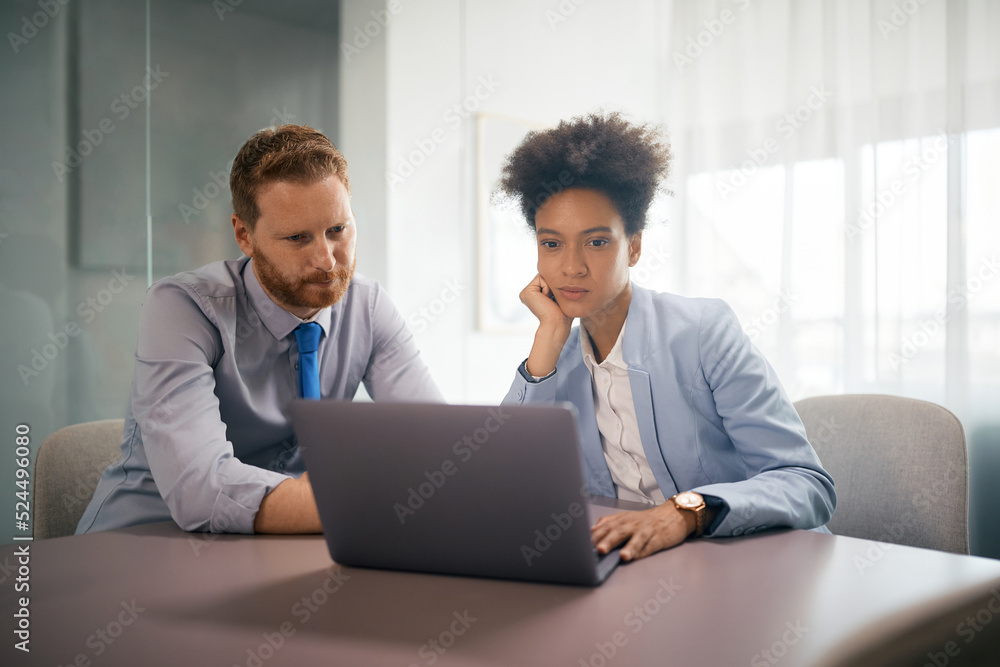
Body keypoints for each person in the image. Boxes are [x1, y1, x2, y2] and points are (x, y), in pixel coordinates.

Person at [499, 112, 836, 562]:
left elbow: (806, 483)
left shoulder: (702, 333)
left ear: (633, 246)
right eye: (551, 244)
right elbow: (504, 482)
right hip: (635, 568)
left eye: (597, 242)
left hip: (748, 564)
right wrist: (549, 337)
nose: (571, 267)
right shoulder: (556, 357)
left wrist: (684, 512)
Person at [78, 124, 442, 535]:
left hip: (285, 545)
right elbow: (201, 489)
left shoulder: (368, 307)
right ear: (244, 235)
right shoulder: (182, 308)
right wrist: (371, 498)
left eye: (337, 230)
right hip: (142, 545)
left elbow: (435, 447)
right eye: (298, 238)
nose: (326, 260)